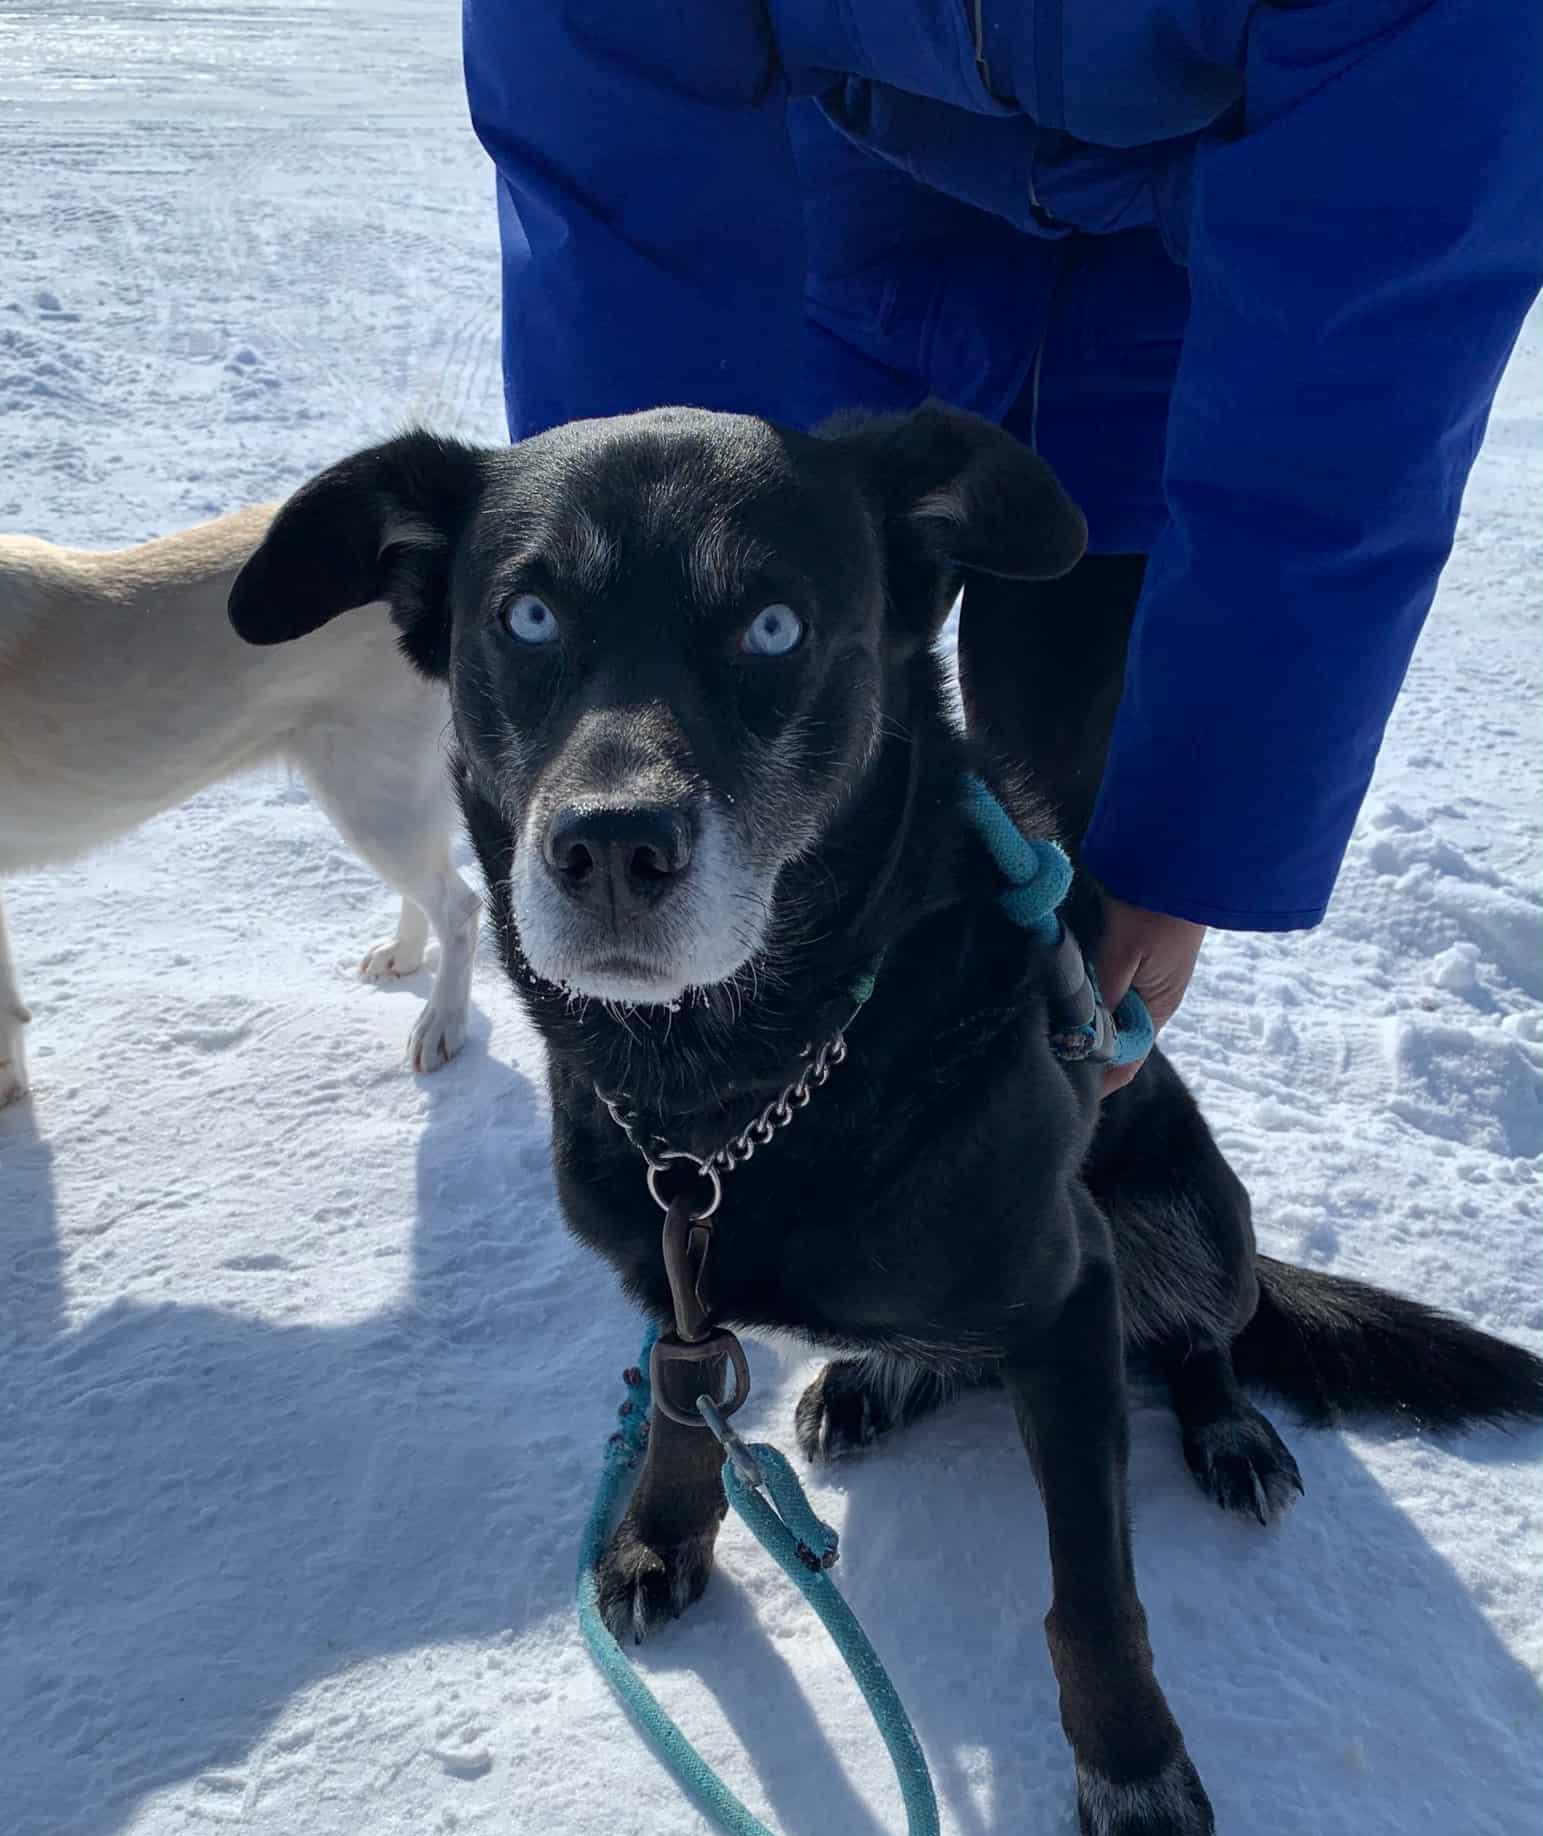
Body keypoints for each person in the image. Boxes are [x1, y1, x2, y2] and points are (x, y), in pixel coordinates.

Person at [460, 0, 1541, 1087]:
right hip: (847, 233)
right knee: (775, 782)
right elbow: (620, 198)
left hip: (1192, 286)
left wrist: (1186, 844)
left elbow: (1355, 357)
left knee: (1081, 874)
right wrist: (603, 682)